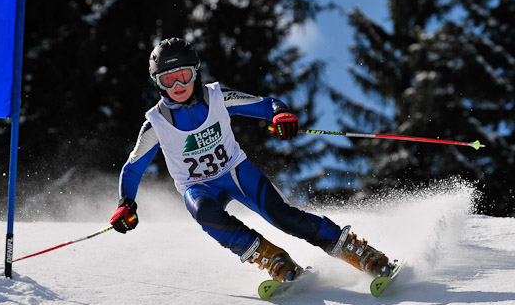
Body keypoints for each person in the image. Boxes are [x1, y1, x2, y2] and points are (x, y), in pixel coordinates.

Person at [110, 37, 393, 282]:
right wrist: (126, 204)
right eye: (168, 79)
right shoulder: (155, 124)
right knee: (204, 214)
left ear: (195, 72)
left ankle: (360, 252)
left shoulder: (217, 96)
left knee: (283, 216)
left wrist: (280, 114)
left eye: (183, 75)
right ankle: (274, 259)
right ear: (157, 83)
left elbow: (265, 104)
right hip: (198, 187)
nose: (178, 85)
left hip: (235, 171)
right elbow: (133, 168)